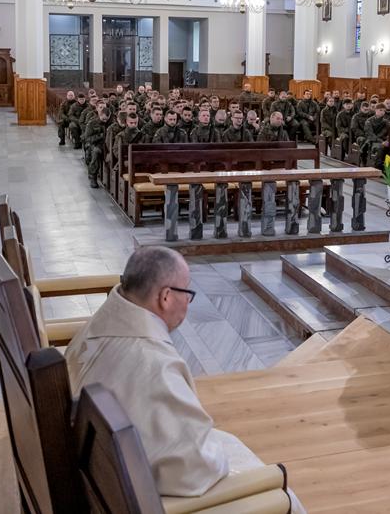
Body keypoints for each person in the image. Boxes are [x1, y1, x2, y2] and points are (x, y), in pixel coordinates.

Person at [66, 248, 285, 499]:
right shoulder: (154, 365)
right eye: (187, 293)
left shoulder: (96, 325)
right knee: (280, 493)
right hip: (127, 494)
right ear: (166, 297)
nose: (188, 302)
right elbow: (194, 471)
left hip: (90, 467)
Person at [82, 107, 110, 188]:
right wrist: (100, 136)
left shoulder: (111, 123)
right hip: (95, 144)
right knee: (96, 152)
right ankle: (93, 176)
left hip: (108, 145)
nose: (105, 121)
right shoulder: (92, 123)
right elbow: (87, 138)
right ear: (100, 115)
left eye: (107, 119)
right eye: (103, 119)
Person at [361, 103, 390, 168]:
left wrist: (387, 140)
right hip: (372, 141)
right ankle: (378, 166)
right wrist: (381, 142)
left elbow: (389, 132)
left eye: (384, 111)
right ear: (376, 110)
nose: (382, 112)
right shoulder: (369, 121)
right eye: (380, 110)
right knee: (380, 147)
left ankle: (388, 165)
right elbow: (371, 135)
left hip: (383, 140)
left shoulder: (386, 122)